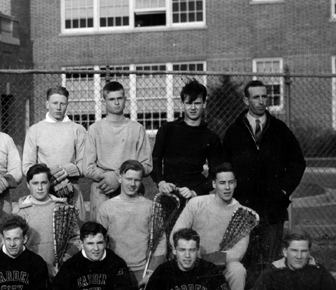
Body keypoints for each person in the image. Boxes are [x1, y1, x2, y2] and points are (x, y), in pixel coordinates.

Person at [222, 80, 305, 281]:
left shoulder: (279, 129)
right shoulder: (234, 131)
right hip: (244, 209)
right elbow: (224, 167)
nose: (261, 101)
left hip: (272, 209)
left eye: (264, 96)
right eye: (256, 97)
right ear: (246, 100)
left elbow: (297, 163)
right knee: (245, 261)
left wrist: (283, 192)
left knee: (272, 262)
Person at [171, 163, 251, 290]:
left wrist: (210, 259)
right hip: (193, 263)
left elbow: (238, 253)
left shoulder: (243, 214)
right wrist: (195, 256)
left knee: (237, 269)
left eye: (230, 182)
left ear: (235, 184)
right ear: (214, 184)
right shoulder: (197, 203)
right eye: (222, 183)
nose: (227, 188)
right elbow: (175, 235)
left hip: (220, 267)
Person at [84, 80, 152, 219]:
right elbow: (88, 167)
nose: (116, 103)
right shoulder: (95, 129)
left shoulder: (136, 128)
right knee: (100, 233)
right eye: (112, 99)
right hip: (103, 187)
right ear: (105, 101)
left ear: (125, 99)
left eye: (119, 98)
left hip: (130, 186)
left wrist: (118, 177)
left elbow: (147, 165)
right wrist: (109, 177)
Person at [96, 160, 166, 288]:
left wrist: (151, 271)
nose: (132, 184)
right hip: (115, 272)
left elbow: (160, 241)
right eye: (128, 179)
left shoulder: (151, 207)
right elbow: (99, 242)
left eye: (137, 180)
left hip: (143, 271)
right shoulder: (106, 208)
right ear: (119, 178)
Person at [22, 86, 87, 220]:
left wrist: (65, 170)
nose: (58, 107)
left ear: (67, 104)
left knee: (75, 232)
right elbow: (27, 166)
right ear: (47, 104)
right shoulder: (35, 130)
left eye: (62, 103)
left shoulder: (78, 129)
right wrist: (47, 174)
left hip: (70, 190)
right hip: (45, 191)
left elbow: (85, 164)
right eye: (55, 103)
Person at [151, 79, 223, 201]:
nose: (193, 108)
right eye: (189, 103)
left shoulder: (211, 137)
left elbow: (215, 174)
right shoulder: (167, 129)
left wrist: (195, 192)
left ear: (204, 104)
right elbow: (155, 160)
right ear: (182, 104)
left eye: (197, 103)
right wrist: (161, 182)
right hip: (169, 194)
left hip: (195, 196)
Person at [14, 164, 81, 278]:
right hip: (30, 272)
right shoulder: (19, 212)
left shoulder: (62, 207)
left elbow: (76, 238)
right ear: (28, 185)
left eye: (43, 183)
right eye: (35, 183)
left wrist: (66, 258)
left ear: (49, 183)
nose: (40, 188)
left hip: (59, 271)